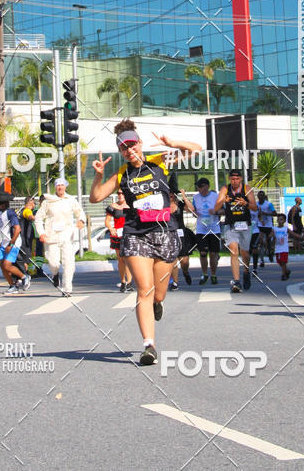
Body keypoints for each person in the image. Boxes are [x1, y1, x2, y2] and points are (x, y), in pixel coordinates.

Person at [89, 120, 202, 366]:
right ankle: (149, 346)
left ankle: (158, 303)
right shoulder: (122, 173)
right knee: (144, 290)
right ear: (120, 151)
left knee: (158, 294)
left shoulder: (159, 161)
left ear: (140, 143)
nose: (130, 150)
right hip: (136, 234)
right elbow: (95, 196)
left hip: (164, 234)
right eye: (124, 148)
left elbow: (196, 150)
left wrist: (173, 143)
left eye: (132, 145)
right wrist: (98, 176)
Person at [34, 177, 86, 297]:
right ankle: (55, 274)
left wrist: (81, 220)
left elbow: (80, 212)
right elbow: (38, 218)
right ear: (55, 187)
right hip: (51, 237)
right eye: (58, 185)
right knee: (53, 263)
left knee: (68, 263)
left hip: (67, 236)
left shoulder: (71, 200)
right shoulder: (48, 201)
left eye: (62, 185)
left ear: (65, 186)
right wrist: (41, 233)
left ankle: (67, 289)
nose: (60, 187)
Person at [214, 170, 257, 293]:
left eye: (237, 179)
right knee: (234, 251)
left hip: (245, 225)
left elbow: (255, 207)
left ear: (241, 179)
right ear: (229, 179)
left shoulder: (247, 189)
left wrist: (246, 203)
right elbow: (216, 208)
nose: (235, 181)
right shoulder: (225, 189)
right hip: (230, 225)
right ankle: (236, 281)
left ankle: (246, 271)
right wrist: (223, 201)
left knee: (245, 253)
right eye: (232, 179)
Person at [0, 192, 31, 296]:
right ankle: (12, 286)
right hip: (4, 243)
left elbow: (17, 229)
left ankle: (24, 277)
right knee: (2, 267)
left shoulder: (10, 213)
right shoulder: (0, 212)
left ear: (7, 203)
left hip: (13, 243)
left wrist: (10, 245)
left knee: (7, 265)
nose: (1, 205)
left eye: (2, 203)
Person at [186, 177, 221, 285]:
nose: (199, 189)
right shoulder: (196, 197)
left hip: (214, 229)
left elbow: (224, 210)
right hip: (201, 230)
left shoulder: (215, 196)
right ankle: (205, 274)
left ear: (207, 186)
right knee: (203, 252)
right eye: (198, 187)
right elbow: (194, 211)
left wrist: (215, 212)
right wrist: (195, 213)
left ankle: (213, 275)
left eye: (201, 186)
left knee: (213, 253)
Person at [105, 188, 132, 292]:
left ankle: (129, 282)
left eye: (122, 193)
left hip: (128, 233)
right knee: (121, 259)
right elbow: (107, 221)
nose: (120, 195)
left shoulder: (130, 205)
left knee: (128, 258)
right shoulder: (113, 206)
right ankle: (123, 281)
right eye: (118, 193)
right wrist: (111, 228)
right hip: (117, 235)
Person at [256, 191, 277, 266]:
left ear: (264, 197)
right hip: (260, 225)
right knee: (261, 242)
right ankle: (262, 260)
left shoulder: (269, 204)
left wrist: (266, 214)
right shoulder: (256, 204)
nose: (260, 197)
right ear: (258, 196)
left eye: (262, 196)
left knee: (269, 242)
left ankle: (270, 252)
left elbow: (275, 213)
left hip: (268, 225)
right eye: (259, 196)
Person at [273, 213, 296, 280]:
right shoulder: (274, 229)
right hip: (278, 248)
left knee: (283, 262)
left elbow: (293, 234)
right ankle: (287, 270)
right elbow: (271, 235)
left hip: (284, 248)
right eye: (278, 219)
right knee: (280, 262)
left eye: (281, 219)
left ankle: (283, 275)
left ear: (284, 221)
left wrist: (302, 237)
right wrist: (271, 237)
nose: (280, 221)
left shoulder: (286, 229)